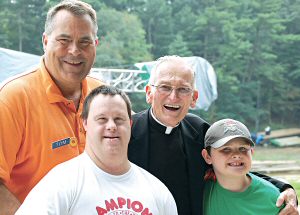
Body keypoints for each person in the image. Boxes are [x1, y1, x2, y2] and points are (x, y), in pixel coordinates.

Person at [128, 55, 298, 215]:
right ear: (149, 93)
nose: (174, 96)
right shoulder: (127, 131)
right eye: (165, 87)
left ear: (194, 98)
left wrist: (283, 187)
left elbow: (232, 165)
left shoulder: (199, 129)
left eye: (183, 89)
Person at [0, 1, 103, 214]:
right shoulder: (13, 99)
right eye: (64, 40)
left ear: (96, 45)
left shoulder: (103, 96)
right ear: (45, 41)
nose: (74, 51)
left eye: (85, 42)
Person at [15, 85, 178, 215]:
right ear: (84, 123)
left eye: (119, 119)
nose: (112, 126)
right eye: (102, 119)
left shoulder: (158, 192)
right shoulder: (61, 184)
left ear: (130, 123)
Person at [201, 118, 286, 214]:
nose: (237, 155)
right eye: (226, 149)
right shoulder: (199, 193)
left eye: (242, 148)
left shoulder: (274, 199)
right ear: (207, 156)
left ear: (252, 152)